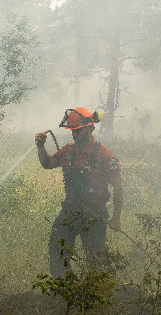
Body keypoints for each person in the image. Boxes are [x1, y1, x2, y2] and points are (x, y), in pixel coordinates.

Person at [35, 107, 123, 277]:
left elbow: (118, 187)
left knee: (95, 260)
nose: (75, 135)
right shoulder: (68, 150)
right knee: (57, 248)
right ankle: (63, 289)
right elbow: (47, 163)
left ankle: (94, 294)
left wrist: (116, 217)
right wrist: (40, 147)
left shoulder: (106, 156)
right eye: (72, 131)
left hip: (94, 215)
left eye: (79, 131)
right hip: (70, 210)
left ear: (91, 128)